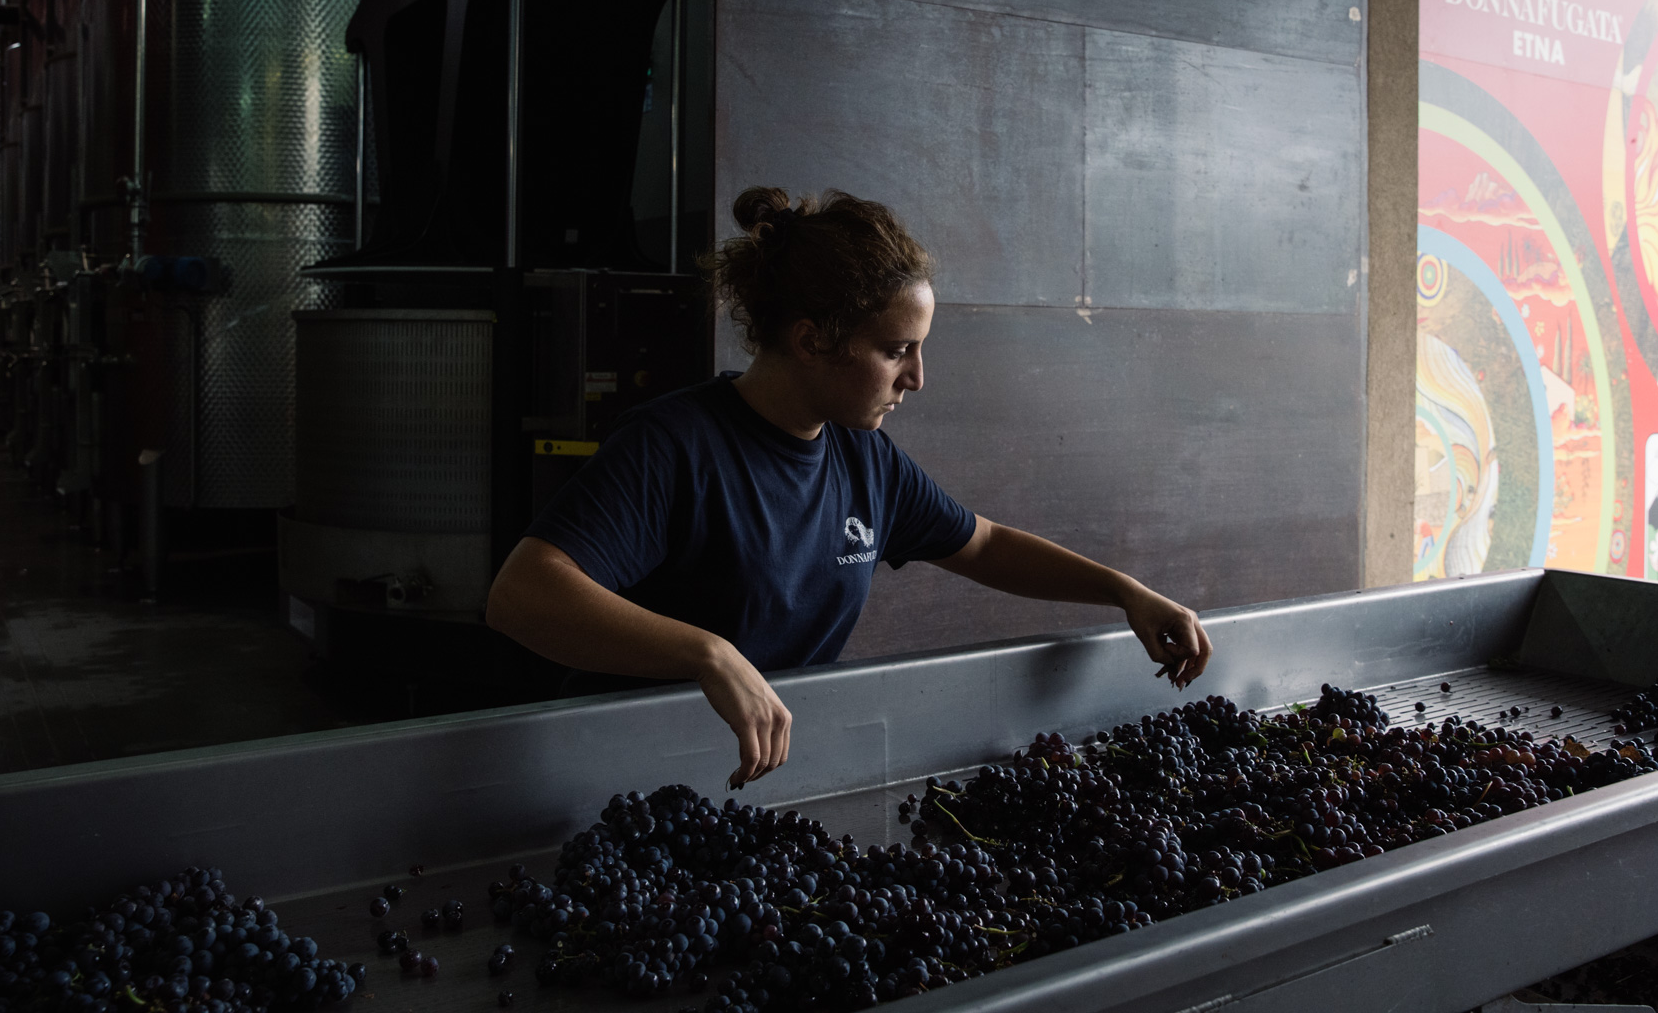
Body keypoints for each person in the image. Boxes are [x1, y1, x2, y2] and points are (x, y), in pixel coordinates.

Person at [486, 188, 1212, 788]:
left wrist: (1124, 591)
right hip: (617, 785)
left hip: (752, 782)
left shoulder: (866, 459)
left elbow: (984, 544)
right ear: (811, 340)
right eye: (897, 351)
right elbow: (522, 596)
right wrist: (707, 653)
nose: (917, 378)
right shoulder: (674, 446)